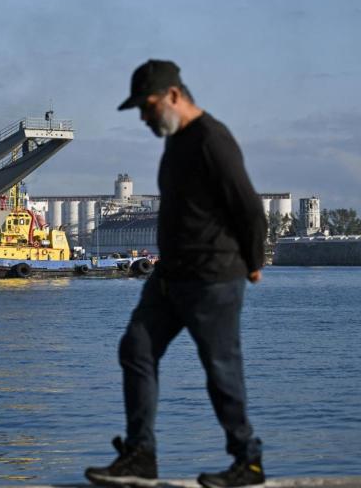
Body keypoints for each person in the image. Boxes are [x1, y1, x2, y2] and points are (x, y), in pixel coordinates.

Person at [85, 60, 267, 488]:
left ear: (172, 95)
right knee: (136, 349)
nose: (144, 117)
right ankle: (140, 455)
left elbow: (249, 208)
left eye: (147, 107)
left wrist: (254, 261)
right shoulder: (176, 141)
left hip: (213, 277)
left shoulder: (212, 140)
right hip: (170, 277)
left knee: (221, 368)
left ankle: (249, 462)